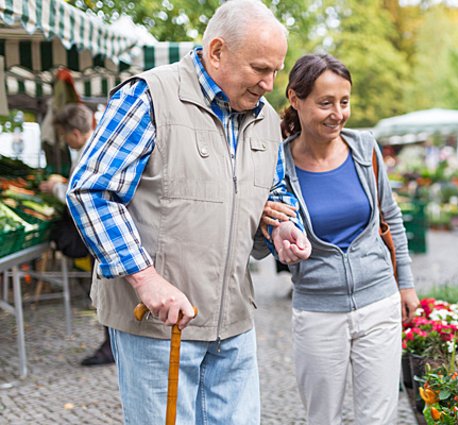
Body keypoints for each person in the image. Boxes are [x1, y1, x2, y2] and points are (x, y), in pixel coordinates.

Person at [66, 1, 310, 423]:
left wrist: (282, 227)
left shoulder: (266, 120)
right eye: (259, 69)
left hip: (233, 320)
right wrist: (146, 280)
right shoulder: (149, 96)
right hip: (158, 326)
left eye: (276, 69)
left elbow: (274, 191)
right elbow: (91, 189)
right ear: (217, 52)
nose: (270, 84)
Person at [262, 54, 420, 425]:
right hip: (317, 310)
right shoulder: (276, 165)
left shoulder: (365, 149)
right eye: (325, 103)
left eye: (344, 102)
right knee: (323, 418)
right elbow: (261, 239)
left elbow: (390, 217)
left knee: (378, 418)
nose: (338, 113)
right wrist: (268, 228)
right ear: (296, 99)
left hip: (379, 303)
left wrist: (406, 286)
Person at [41, 103, 114, 366]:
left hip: (101, 237)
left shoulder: (89, 152)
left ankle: (112, 348)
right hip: (104, 235)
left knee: (108, 294)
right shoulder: (95, 147)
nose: (64, 141)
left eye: (63, 135)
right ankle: (113, 346)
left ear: (74, 133)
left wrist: (55, 189)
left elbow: (81, 196)